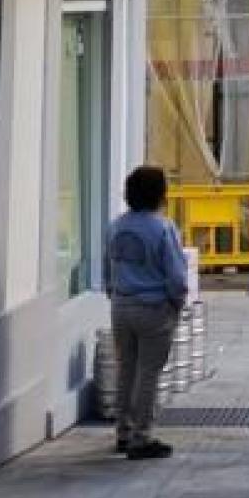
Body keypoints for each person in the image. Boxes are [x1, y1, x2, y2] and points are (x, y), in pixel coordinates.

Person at [103, 165, 189, 460]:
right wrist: (177, 303)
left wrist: (113, 294)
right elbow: (177, 277)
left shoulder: (116, 226)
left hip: (121, 305)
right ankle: (142, 435)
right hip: (153, 307)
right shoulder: (163, 228)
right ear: (160, 195)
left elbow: (108, 268)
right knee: (148, 373)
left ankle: (123, 432)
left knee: (125, 369)